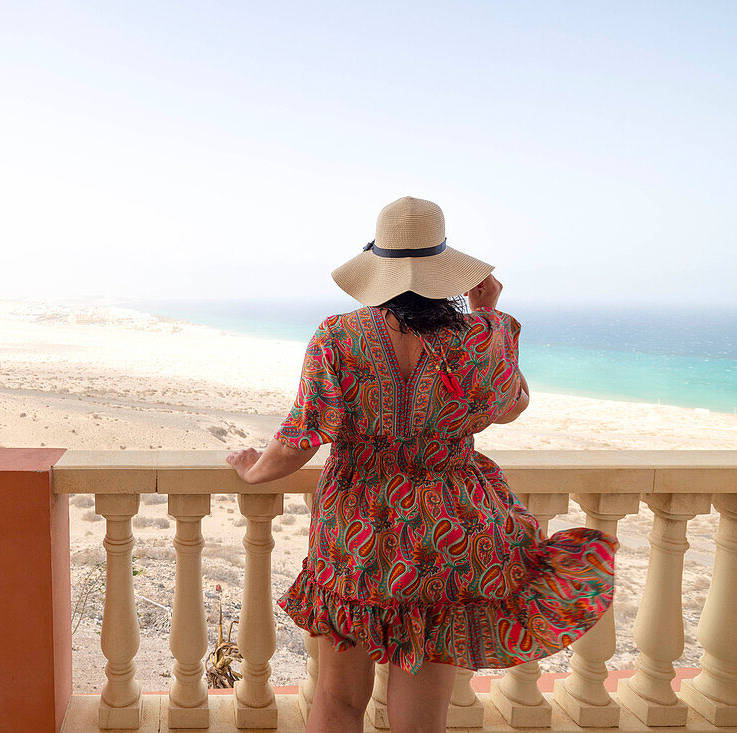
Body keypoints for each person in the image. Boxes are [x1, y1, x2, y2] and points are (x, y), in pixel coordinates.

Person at [226, 197, 617, 733]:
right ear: (445, 270)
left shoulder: (336, 337)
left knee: (338, 701)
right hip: (446, 533)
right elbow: (509, 406)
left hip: (358, 529)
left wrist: (253, 470)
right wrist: (487, 316)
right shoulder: (476, 341)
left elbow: (301, 439)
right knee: (422, 718)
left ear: (377, 268)